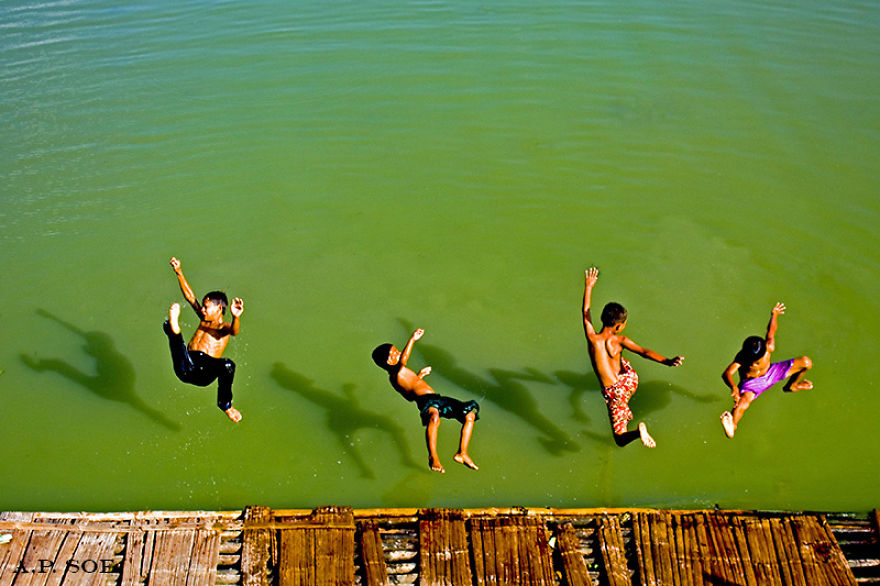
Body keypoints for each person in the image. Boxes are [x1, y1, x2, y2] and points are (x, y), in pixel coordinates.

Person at [582, 267, 684, 448]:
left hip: (615, 391)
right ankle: (625, 411)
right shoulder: (621, 339)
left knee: (619, 439)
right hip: (629, 379)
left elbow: (585, 313)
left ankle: (637, 431)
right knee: (620, 361)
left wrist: (589, 286)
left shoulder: (592, 338)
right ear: (619, 326)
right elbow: (644, 352)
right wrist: (667, 361)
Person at [372, 328, 479, 473]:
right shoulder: (395, 374)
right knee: (434, 418)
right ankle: (433, 456)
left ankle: (462, 453)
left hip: (437, 399)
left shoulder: (401, 373)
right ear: (388, 361)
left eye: (397, 351)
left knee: (469, 415)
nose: (398, 354)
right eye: (395, 353)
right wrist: (412, 339)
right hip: (426, 401)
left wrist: (419, 376)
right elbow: (404, 361)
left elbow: (410, 395)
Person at [165, 257, 243, 422]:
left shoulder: (222, 328)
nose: (203, 309)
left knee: (228, 365)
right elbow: (190, 297)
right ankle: (173, 327)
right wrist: (178, 271)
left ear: (219, 308)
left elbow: (234, 331)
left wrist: (236, 317)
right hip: (185, 366)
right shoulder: (203, 318)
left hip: (202, 373)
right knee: (168, 326)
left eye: (207, 306)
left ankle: (226, 405)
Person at [720, 303, 812, 438]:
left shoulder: (769, 347)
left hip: (772, 372)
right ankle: (733, 425)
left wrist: (774, 314)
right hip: (751, 384)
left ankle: (792, 386)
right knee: (743, 403)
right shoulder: (741, 357)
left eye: (755, 361)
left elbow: (771, 330)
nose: (752, 363)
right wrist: (733, 387)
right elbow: (727, 373)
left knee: (806, 362)